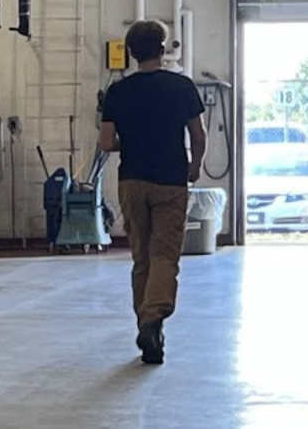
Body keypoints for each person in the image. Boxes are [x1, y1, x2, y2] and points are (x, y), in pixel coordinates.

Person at [98, 20, 208, 365]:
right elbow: (199, 134)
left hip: (132, 181)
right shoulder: (182, 86)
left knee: (141, 257)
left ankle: (149, 331)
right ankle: (152, 319)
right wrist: (196, 164)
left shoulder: (117, 92)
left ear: (131, 53)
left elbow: (105, 143)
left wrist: (129, 140)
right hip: (170, 181)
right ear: (164, 49)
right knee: (164, 256)